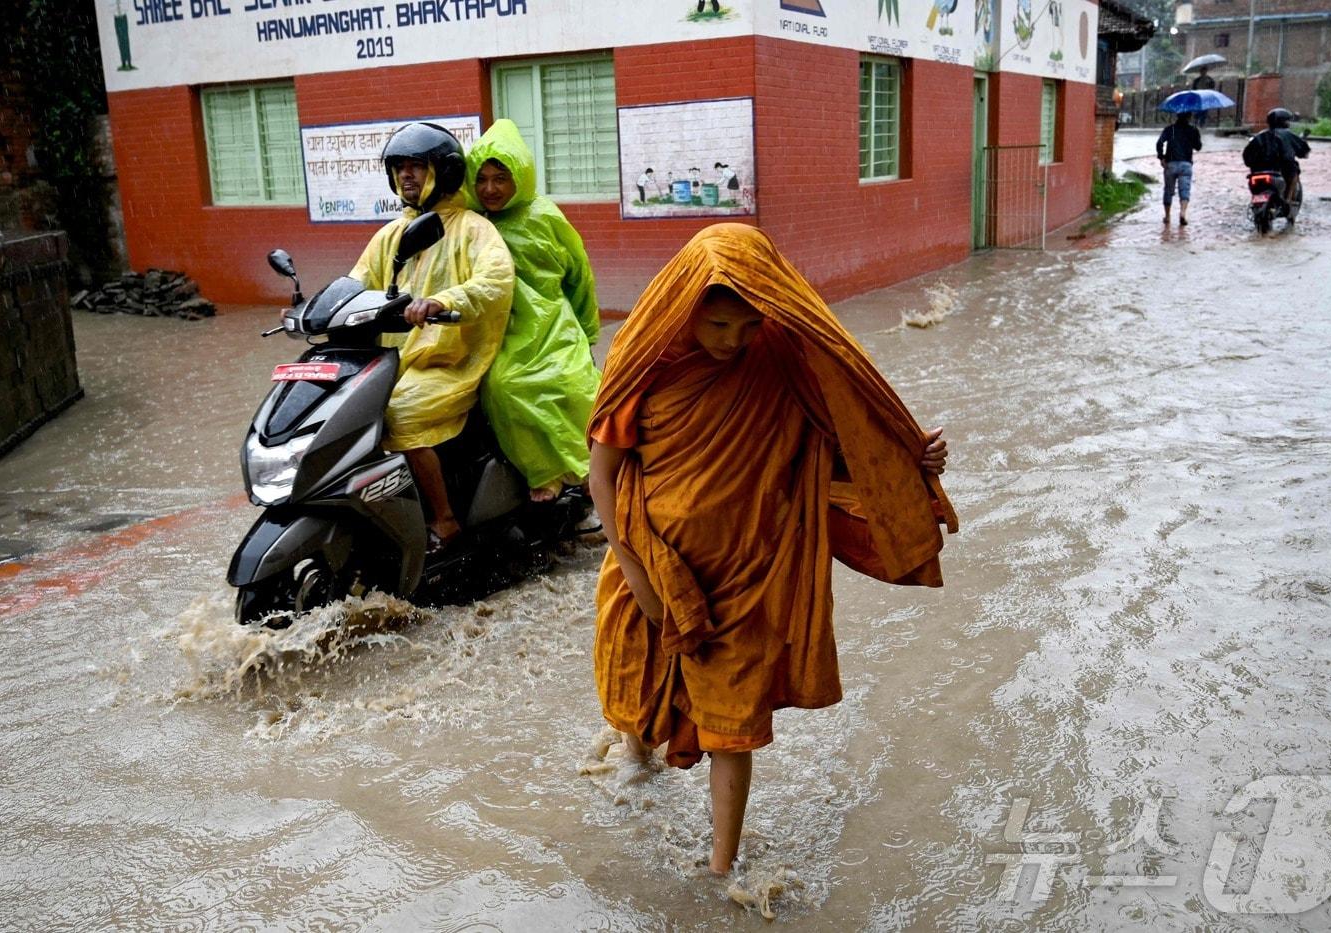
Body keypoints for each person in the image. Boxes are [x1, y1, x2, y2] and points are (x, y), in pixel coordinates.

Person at [588, 223, 956, 876]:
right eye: (718, 325)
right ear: (686, 307)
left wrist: (911, 457)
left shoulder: (785, 356)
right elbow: (605, 471)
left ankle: (721, 868)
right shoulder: (645, 360)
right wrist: (637, 570)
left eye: (746, 326)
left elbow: (843, 435)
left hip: (748, 572)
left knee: (731, 722)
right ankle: (634, 776)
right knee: (638, 694)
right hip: (650, 560)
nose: (733, 342)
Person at [351, 122, 514, 549]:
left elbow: (496, 281)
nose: (407, 175)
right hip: (396, 361)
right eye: (400, 168)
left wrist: (442, 301)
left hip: (450, 360)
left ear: (443, 172)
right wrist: (312, 308)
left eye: (417, 167)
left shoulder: (472, 228)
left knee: (400, 414)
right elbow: (356, 283)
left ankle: (444, 520)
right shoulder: (390, 234)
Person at [464, 118, 602, 503]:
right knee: (503, 387)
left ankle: (591, 469)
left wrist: (587, 331)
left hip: (553, 323)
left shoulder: (546, 216)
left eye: (501, 178)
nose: (490, 188)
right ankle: (544, 471)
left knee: (575, 385)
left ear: (519, 177)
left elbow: (579, 275)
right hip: (501, 330)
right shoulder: (473, 223)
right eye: (482, 178)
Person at [1243, 108, 1311, 215]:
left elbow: (1247, 157)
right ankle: (1288, 200)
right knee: (1294, 173)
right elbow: (1304, 151)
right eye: (1287, 121)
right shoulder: (1288, 135)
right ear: (1284, 122)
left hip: (1257, 174)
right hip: (1280, 172)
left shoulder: (1258, 136)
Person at [1156, 111, 1202, 226]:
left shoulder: (1169, 129)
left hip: (1170, 164)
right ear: (1189, 117)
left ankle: (1167, 216)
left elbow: (1159, 143)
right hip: (1186, 164)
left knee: (1168, 190)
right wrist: (1195, 134)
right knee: (1185, 190)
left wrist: (1161, 157)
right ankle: (1182, 213)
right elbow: (1198, 147)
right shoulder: (1193, 130)